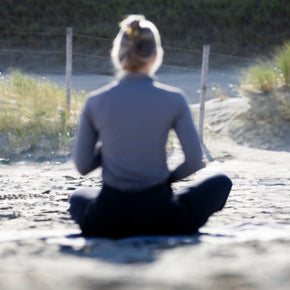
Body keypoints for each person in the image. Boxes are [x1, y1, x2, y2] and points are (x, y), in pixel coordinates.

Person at [69, 15, 232, 238]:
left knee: (78, 196)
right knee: (221, 183)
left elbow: (83, 166)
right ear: (156, 56)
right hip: (161, 215)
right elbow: (194, 160)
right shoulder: (174, 99)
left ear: (117, 55)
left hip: (107, 218)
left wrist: (107, 148)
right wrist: (165, 182)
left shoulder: (95, 100)